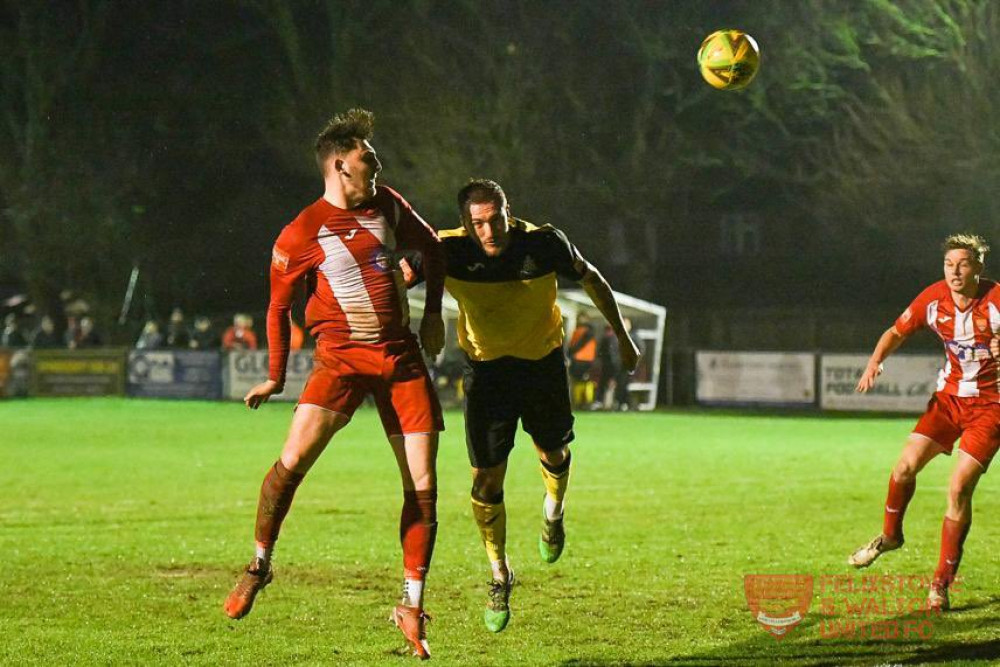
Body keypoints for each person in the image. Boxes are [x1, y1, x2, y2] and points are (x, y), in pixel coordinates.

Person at [223, 108, 445, 660]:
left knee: (423, 485)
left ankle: (411, 605)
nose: (378, 162)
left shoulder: (388, 203)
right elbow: (277, 308)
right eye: (369, 156)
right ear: (341, 165)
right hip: (340, 363)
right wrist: (275, 375)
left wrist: (433, 311)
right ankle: (259, 565)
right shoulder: (300, 233)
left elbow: (433, 246)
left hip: (400, 360)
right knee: (292, 461)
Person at [436, 179, 639, 632]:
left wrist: (623, 338)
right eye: (478, 223)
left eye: (497, 219)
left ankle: (553, 511)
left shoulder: (544, 242)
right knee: (486, 479)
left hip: (541, 365)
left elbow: (591, 276)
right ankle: (499, 574)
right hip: (487, 373)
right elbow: (399, 279)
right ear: (465, 224)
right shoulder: (445, 250)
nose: (490, 231)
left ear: (509, 212)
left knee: (553, 454)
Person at [848, 234, 1000, 612]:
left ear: (979, 267)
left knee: (958, 489)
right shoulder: (933, 299)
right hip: (947, 403)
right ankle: (890, 536)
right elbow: (897, 331)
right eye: (949, 264)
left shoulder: (998, 301)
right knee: (903, 468)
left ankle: (941, 584)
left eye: (963, 264)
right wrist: (874, 361)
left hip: (991, 407)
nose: (955, 272)